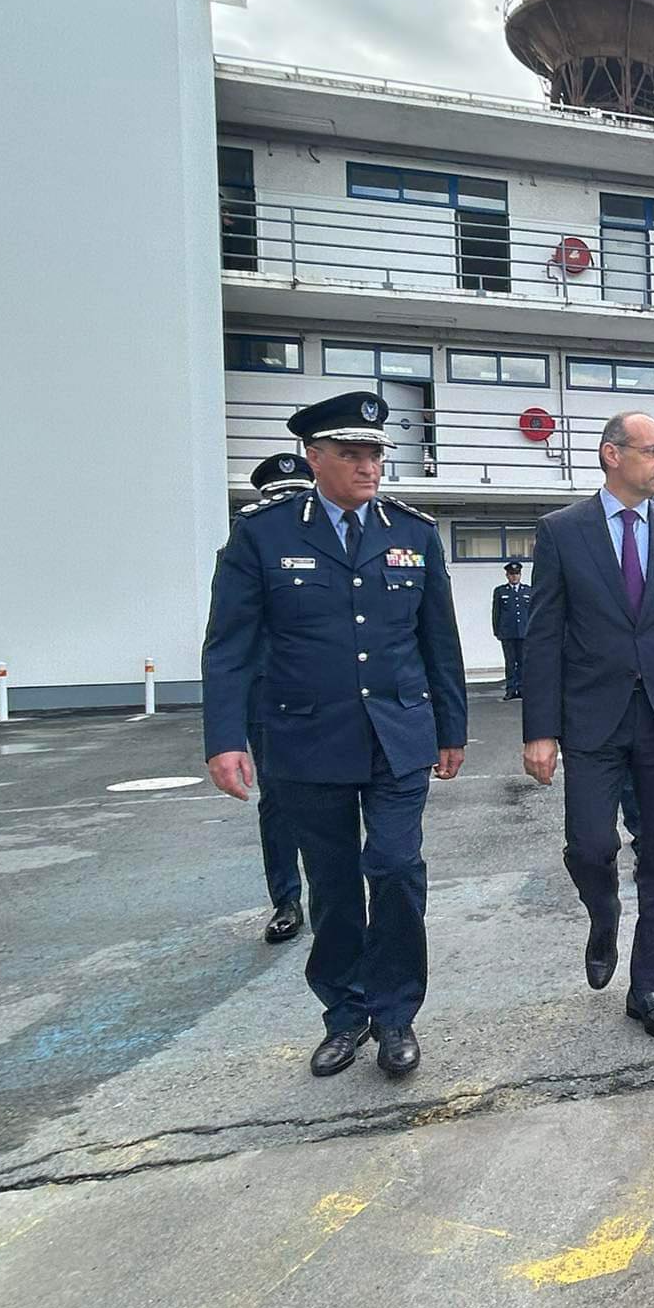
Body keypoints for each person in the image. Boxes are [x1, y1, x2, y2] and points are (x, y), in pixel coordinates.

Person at [202, 394, 466, 1078]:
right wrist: (225, 739)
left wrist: (451, 727)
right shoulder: (263, 535)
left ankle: (397, 1014)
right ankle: (345, 1015)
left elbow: (440, 641)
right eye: (350, 453)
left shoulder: (413, 532)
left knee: (398, 869)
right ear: (315, 459)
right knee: (335, 882)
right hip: (306, 740)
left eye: (375, 452)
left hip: (398, 736)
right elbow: (228, 647)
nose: (367, 465)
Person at [521, 410, 654, 1042]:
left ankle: (649, 986)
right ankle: (603, 910)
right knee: (590, 846)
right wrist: (539, 729)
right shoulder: (562, 532)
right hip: (591, 718)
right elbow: (543, 636)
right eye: (653, 450)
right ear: (611, 455)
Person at [240, 452, 315, 945]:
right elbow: (230, 639)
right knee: (280, 803)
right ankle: (286, 898)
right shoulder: (248, 546)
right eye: (278, 499)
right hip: (271, 698)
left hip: (338, 697)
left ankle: (343, 892)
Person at [492, 560, 532, 701]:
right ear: (507, 576)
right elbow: (496, 612)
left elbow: (532, 613)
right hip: (507, 633)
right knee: (510, 663)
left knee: (522, 662)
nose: (514, 577)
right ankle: (510, 689)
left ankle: (522, 689)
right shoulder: (500, 591)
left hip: (524, 633)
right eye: (512, 574)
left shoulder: (528, 591)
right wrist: (497, 630)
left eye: (517, 574)